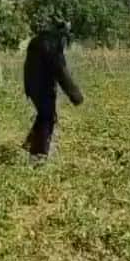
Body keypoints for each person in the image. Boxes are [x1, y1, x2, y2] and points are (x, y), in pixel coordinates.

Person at [22, 19, 84, 164]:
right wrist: (75, 96)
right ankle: (39, 154)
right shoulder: (51, 45)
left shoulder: (38, 40)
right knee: (47, 118)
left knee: (45, 116)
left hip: (32, 85)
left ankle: (31, 145)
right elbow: (61, 71)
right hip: (43, 87)